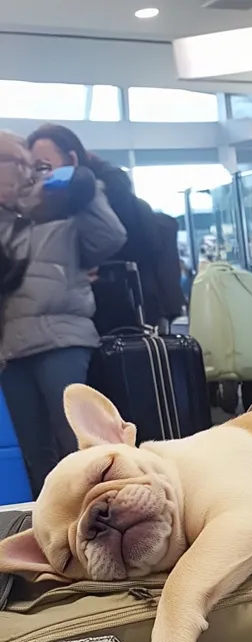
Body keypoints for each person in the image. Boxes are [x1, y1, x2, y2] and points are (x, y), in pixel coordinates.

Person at [0, 132, 126, 497]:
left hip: (63, 339)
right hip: (12, 350)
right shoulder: (8, 218)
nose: (30, 173)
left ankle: (100, 512)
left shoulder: (68, 208)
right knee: (33, 452)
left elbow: (110, 237)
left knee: (77, 441)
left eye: (41, 165)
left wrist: (86, 190)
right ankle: (52, 526)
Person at [27, 125, 183, 331]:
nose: (39, 178)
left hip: (118, 319)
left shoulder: (103, 204)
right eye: (33, 171)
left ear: (72, 161)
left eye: (44, 168)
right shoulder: (60, 204)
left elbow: (115, 246)